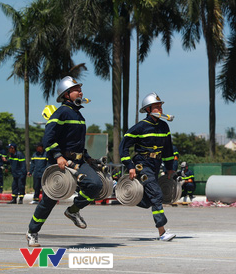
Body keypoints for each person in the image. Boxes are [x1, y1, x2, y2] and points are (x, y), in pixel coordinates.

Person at [27, 76, 103, 247]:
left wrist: (87, 157)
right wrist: (57, 155)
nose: (81, 92)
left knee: (96, 184)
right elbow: (49, 137)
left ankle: (73, 211)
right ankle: (32, 231)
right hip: (59, 162)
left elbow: (76, 142)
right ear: (67, 94)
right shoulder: (61, 113)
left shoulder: (78, 115)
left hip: (78, 160)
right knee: (49, 201)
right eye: (77, 89)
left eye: (80, 89)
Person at [120, 92, 176, 241]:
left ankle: (118, 190)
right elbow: (123, 148)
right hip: (142, 165)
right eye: (156, 106)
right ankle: (162, 232)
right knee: (157, 194)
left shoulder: (164, 126)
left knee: (149, 201)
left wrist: (170, 167)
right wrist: (130, 166)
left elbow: (168, 150)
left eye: (160, 106)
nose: (160, 109)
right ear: (148, 109)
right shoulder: (139, 128)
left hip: (156, 165)